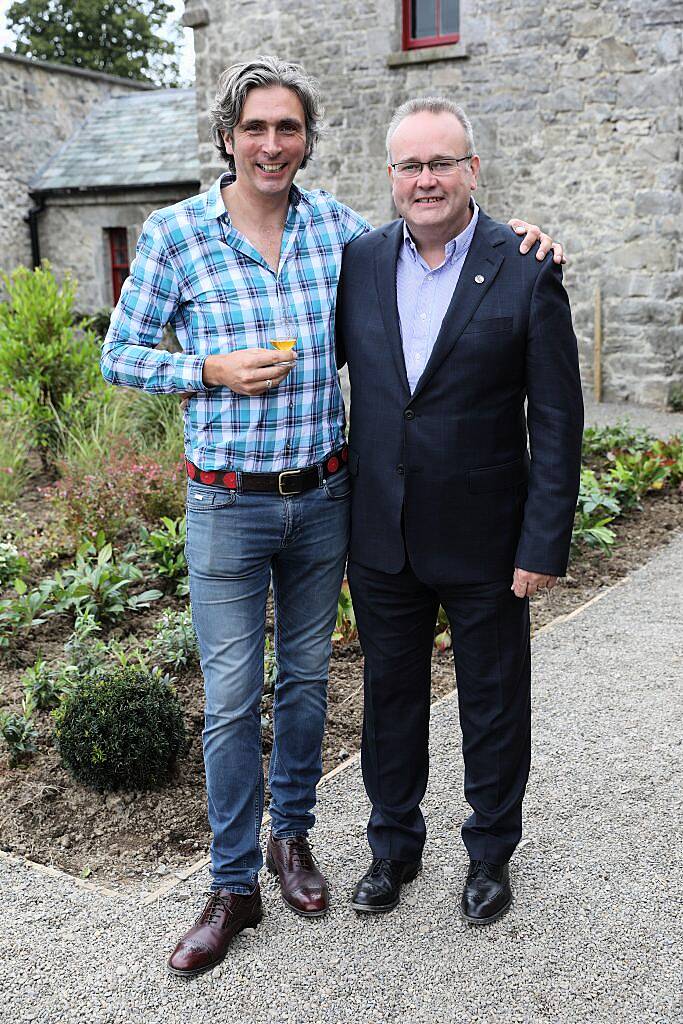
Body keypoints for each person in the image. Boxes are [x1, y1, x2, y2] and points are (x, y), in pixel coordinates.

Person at [101, 58, 563, 976]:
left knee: (316, 689)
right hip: (233, 505)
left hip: (327, 504)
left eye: (289, 129)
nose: (272, 144)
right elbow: (120, 354)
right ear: (228, 136)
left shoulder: (344, 238)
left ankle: (310, 845)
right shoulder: (183, 235)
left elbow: (467, 287)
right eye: (256, 128)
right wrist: (207, 370)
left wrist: (529, 242)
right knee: (236, 703)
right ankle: (236, 882)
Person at [336, 96, 583, 925]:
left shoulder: (524, 265)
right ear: (391, 177)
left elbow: (554, 417)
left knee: (492, 700)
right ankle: (391, 849)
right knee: (389, 701)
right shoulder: (359, 262)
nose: (425, 178)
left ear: (472, 170)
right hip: (382, 537)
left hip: (487, 538)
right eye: (409, 165)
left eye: (442, 162)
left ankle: (489, 855)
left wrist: (542, 538)